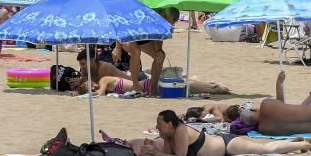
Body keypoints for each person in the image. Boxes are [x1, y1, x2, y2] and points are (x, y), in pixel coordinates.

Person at [136, 109, 311, 156]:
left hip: (227, 145)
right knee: (265, 149)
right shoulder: (169, 134)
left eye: (160, 124)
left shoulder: (181, 130)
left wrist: (156, 153)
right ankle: (294, 142)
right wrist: (155, 150)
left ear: (169, 123)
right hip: (223, 147)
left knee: (266, 150)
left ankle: (304, 145)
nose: (157, 127)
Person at [123, 7, 178, 97]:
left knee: (160, 56)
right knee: (136, 52)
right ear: (166, 16)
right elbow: (127, 25)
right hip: (129, 33)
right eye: (173, 21)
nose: (173, 24)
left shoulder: (163, 22)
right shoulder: (150, 15)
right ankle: (135, 87)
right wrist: (117, 47)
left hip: (143, 36)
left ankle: (153, 89)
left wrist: (159, 50)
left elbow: (159, 38)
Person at [97, 74, 230, 96]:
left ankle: (216, 87)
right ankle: (211, 84)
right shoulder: (106, 82)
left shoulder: (103, 80)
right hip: (147, 85)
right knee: (188, 85)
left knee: (190, 87)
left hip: (146, 85)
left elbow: (100, 94)